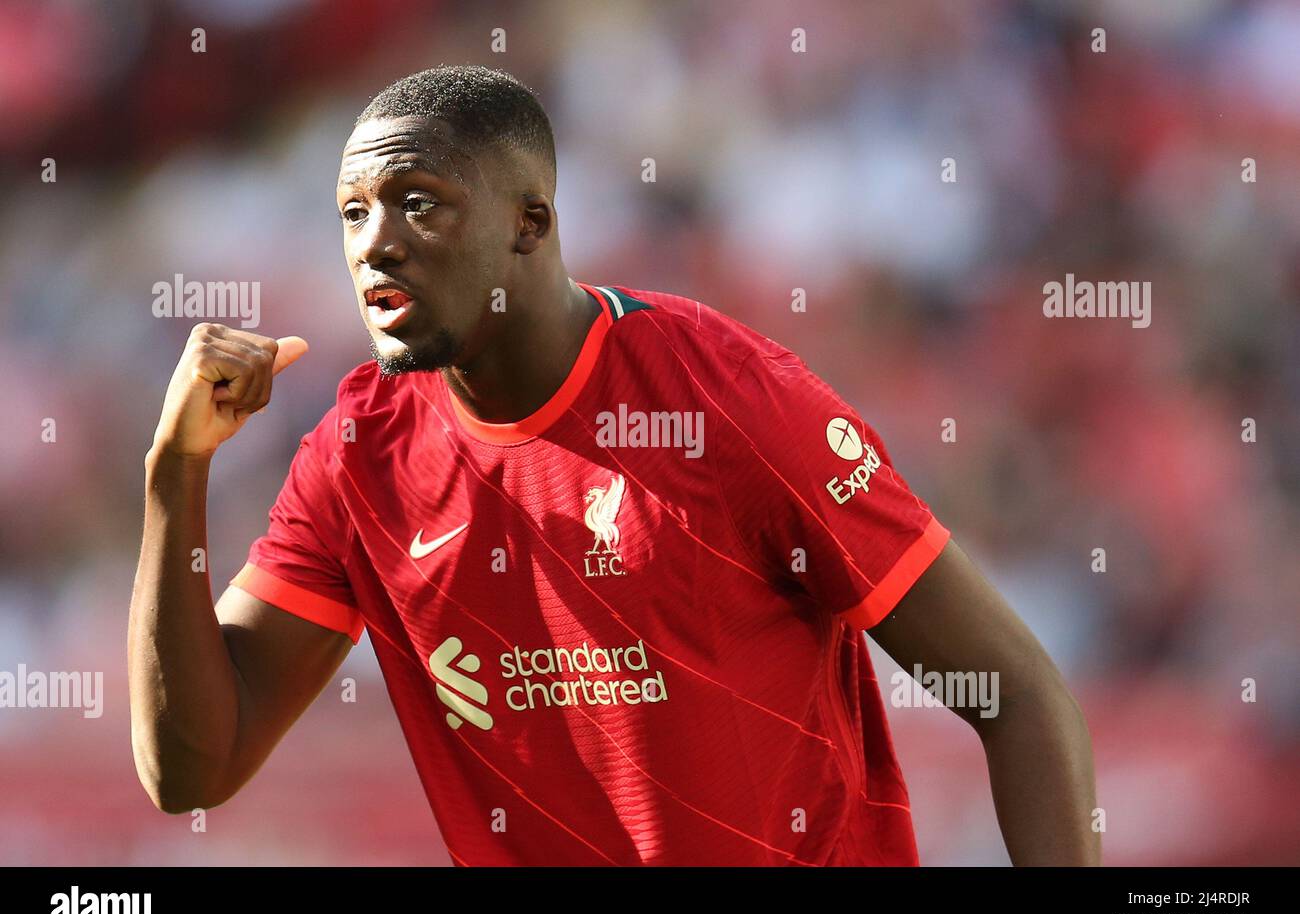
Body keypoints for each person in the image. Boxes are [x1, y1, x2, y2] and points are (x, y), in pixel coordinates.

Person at [128, 65, 1098, 866]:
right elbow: (193, 770)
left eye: (418, 206)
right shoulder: (357, 454)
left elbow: (1013, 692)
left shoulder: (730, 400)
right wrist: (176, 473)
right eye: (351, 212)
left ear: (530, 224)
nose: (375, 243)